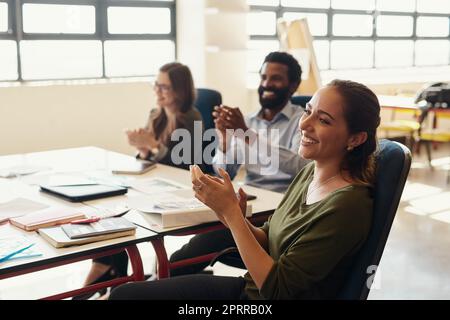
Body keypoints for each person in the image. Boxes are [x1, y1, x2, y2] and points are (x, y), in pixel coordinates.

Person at [109, 79, 381, 300]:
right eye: (308, 110)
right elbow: (268, 239)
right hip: (248, 291)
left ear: (355, 139)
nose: (305, 123)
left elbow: (277, 290)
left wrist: (233, 216)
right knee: (126, 294)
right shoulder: (311, 172)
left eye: (323, 120)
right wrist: (231, 216)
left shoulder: (347, 206)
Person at [168, 51, 310, 276]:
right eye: (263, 77)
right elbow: (227, 172)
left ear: (293, 85)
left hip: (278, 211)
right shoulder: (250, 120)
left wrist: (246, 134)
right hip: (248, 205)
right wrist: (224, 141)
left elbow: (301, 165)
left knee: (180, 262)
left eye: (276, 78)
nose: (267, 84)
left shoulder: (302, 121)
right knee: (181, 257)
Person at [74, 62, 203, 300]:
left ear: (180, 90)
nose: (157, 91)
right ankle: (110, 270)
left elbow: (187, 163)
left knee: (123, 214)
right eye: (156, 85)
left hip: (180, 190)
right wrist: (142, 147)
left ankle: (107, 272)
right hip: (154, 184)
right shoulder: (155, 114)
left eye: (164, 87)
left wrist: (153, 146)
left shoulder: (192, 118)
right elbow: (148, 159)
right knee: (111, 209)